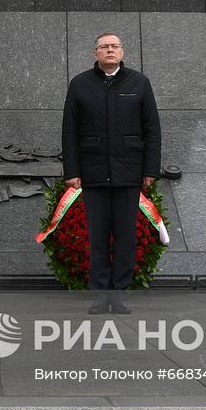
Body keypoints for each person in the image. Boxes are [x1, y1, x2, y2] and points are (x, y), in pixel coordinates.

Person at [61, 32, 161, 314]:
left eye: (114, 46)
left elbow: (152, 129)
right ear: (95, 53)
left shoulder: (139, 83)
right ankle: (101, 294)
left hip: (129, 172)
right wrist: (72, 170)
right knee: (98, 238)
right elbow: (69, 131)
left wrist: (150, 169)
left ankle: (119, 294)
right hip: (93, 173)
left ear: (122, 52)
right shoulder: (80, 84)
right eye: (104, 47)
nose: (109, 50)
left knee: (126, 237)